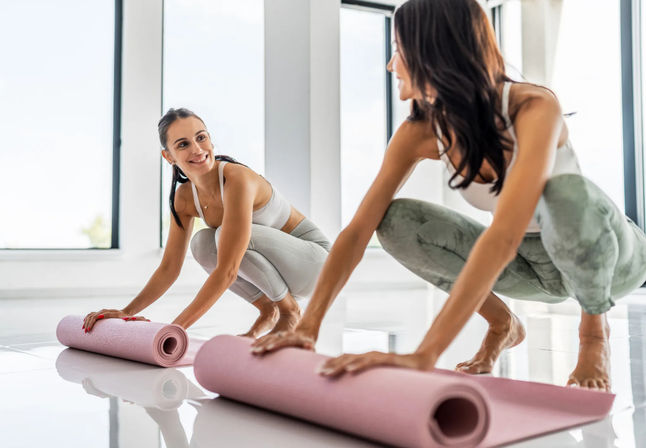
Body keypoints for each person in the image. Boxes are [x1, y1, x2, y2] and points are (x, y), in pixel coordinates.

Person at [252, 0, 646, 392]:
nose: (392, 65)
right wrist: (307, 329)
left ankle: (594, 333)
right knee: (396, 221)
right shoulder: (419, 133)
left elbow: (504, 234)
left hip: (610, 261)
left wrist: (425, 354)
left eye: (399, 50)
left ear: (435, 52)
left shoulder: (533, 106)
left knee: (563, 193)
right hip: (533, 269)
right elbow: (358, 232)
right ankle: (502, 323)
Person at [83, 108, 330, 337]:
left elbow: (228, 270)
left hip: (315, 264)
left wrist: (175, 329)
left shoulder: (237, 179)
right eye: (183, 144)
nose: (197, 149)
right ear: (168, 156)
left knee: (225, 238)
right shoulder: (184, 198)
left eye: (201, 138)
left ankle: (289, 311)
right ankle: (269, 310)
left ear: (211, 140)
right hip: (283, 269)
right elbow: (170, 267)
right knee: (202, 243)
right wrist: (128, 312)